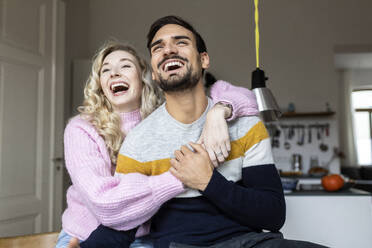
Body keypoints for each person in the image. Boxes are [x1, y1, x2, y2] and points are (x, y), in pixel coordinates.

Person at [81, 15, 328, 248]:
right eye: (158, 47)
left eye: (181, 42)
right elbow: (124, 223)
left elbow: (273, 215)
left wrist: (208, 181)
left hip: (250, 243)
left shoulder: (245, 126)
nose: (168, 49)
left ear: (204, 59)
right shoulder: (138, 142)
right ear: (154, 73)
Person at [56, 40, 259, 248]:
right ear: (100, 84)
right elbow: (105, 204)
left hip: (147, 238)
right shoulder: (81, 130)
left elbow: (243, 96)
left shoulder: (164, 118)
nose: (114, 73)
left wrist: (219, 112)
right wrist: (184, 175)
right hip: (84, 239)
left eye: (125, 65)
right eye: (105, 70)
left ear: (144, 78)